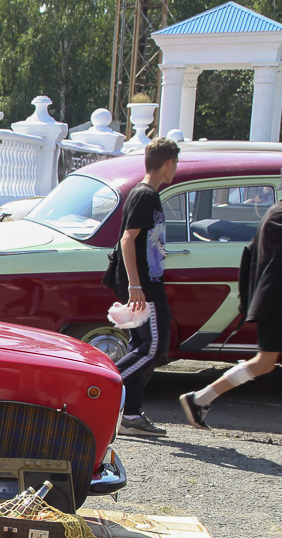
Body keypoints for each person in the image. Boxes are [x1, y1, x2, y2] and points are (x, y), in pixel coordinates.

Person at [179, 192, 282, 428]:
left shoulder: (275, 212)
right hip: (276, 304)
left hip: (273, 302)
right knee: (264, 362)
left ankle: (200, 399)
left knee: (264, 363)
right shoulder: (279, 215)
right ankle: (199, 398)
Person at [111, 137, 180, 437]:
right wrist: (135, 286)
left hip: (146, 283)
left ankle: (132, 414)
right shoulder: (145, 195)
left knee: (141, 347)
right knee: (154, 349)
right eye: (175, 164)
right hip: (144, 287)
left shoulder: (148, 194)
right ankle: (101, 387)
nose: (175, 169)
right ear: (168, 163)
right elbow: (128, 239)